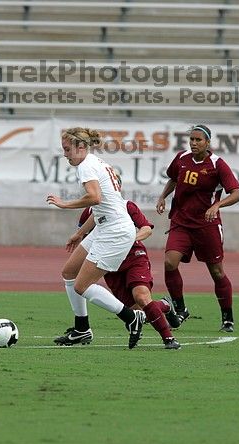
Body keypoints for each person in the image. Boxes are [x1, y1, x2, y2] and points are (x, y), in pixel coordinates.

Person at [46, 127, 148, 349]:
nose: (65, 154)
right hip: (105, 226)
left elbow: (94, 197)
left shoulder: (86, 165)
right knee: (69, 273)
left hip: (115, 231)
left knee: (82, 286)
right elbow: (103, 205)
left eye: (67, 149)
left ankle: (132, 318)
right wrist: (80, 233)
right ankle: (82, 329)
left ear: (80, 147)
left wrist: (64, 203)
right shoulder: (94, 162)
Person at [155, 124, 239, 332]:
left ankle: (227, 318)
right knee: (169, 263)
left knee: (217, 272)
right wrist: (163, 196)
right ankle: (180, 309)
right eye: (191, 140)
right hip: (181, 222)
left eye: (198, 140)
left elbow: (236, 193)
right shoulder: (181, 158)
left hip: (207, 226)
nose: (194, 143)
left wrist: (217, 204)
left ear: (208, 142)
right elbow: (173, 179)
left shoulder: (217, 164)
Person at [74, 195, 181, 350]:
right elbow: (85, 239)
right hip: (110, 264)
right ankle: (164, 305)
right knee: (136, 313)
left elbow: (146, 229)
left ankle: (168, 339)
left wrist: (126, 240)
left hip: (133, 258)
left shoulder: (126, 206)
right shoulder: (90, 212)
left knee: (142, 296)